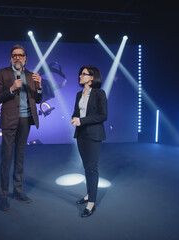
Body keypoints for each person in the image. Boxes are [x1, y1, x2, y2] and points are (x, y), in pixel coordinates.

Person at [0, 44, 42, 211]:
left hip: (25, 120)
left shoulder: (31, 75)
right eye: (14, 55)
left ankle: (18, 191)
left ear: (25, 59)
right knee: (6, 159)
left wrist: (40, 86)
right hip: (9, 120)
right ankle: (3, 196)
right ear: (10, 58)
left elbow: (37, 99)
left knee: (20, 157)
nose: (17, 57)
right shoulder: (3, 73)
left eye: (20, 55)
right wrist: (12, 88)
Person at [71, 65, 107, 217]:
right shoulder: (79, 94)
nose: (80, 75)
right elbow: (76, 112)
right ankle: (89, 193)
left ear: (92, 77)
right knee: (86, 167)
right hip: (81, 135)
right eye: (80, 73)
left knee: (92, 168)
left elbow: (103, 115)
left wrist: (82, 120)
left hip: (93, 135)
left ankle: (91, 202)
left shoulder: (99, 93)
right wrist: (74, 118)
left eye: (84, 74)